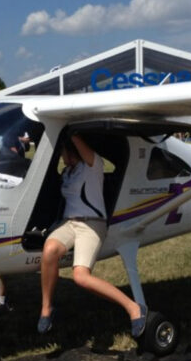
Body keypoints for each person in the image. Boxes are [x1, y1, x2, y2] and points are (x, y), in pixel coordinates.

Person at [38, 134, 146, 337]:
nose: (61, 157)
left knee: (80, 277)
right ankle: (46, 309)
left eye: (63, 152)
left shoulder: (93, 166)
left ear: (73, 150)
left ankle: (134, 308)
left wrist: (69, 129)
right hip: (70, 223)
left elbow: (81, 146)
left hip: (91, 224)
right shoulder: (68, 172)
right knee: (49, 251)